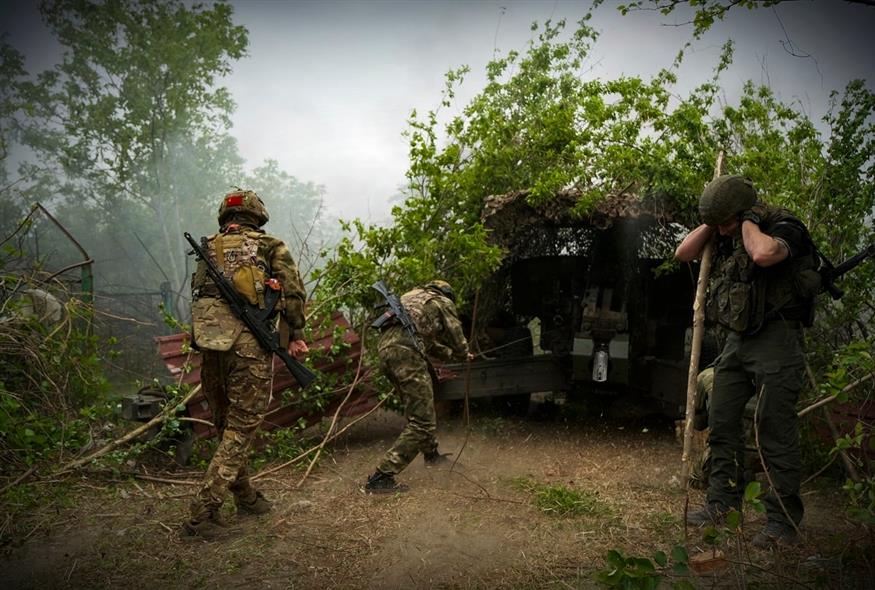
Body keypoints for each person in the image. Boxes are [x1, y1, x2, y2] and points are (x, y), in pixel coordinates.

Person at [675, 175, 819, 548]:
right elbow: (684, 253)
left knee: (774, 430)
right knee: (722, 421)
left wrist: (749, 222)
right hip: (738, 341)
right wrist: (713, 223)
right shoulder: (723, 229)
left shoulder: (784, 226)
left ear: (745, 212)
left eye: (727, 222)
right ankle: (721, 503)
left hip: (777, 337)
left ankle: (782, 522)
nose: (722, 231)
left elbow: (762, 254)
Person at [183, 189, 308, 538]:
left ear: (225, 217)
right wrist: (295, 332)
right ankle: (201, 514)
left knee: (226, 423)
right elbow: (293, 292)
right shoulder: (270, 245)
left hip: (211, 345)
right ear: (258, 216)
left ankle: (246, 496)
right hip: (247, 347)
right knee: (241, 425)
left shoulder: (208, 248)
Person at [365, 280, 474, 493]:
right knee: (423, 421)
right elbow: (455, 334)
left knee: (419, 409)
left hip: (386, 353)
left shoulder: (410, 298)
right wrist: (462, 352)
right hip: (406, 354)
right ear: (447, 294)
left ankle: (431, 456)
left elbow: (429, 344)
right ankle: (381, 476)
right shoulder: (441, 302)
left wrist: (454, 355)